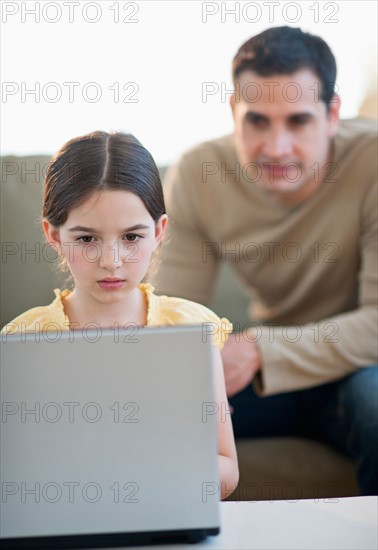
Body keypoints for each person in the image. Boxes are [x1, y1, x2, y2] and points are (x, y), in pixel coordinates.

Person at [148, 26, 378, 495]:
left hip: (358, 371)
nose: (276, 147)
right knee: (148, 411)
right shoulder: (197, 174)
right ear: (234, 111)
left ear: (332, 115)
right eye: (257, 121)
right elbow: (170, 319)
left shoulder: (373, 160)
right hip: (266, 384)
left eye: (297, 121)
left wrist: (257, 350)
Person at [1, 130, 239, 500]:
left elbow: (226, 471)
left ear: (159, 232)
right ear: (53, 235)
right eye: (86, 239)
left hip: (166, 513)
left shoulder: (193, 328)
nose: (111, 262)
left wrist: (149, 472)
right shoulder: (22, 339)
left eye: (131, 238)